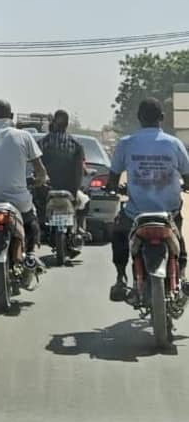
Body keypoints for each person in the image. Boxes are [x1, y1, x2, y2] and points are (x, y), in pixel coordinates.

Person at [107, 98, 189, 301]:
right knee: (179, 242)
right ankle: (183, 276)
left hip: (136, 214)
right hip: (169, 213)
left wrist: (113, 188)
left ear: (138, 119)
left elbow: (113, 178)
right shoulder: (174, 143)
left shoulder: (126, 143)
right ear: (161, 118)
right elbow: (187, 176)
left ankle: (120, 278)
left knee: (118, 234)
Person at [0, 99, 48, 282]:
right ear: (11, 117)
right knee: (31, 221)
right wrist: (39, 180)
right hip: (19, 201)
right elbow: (40, 169)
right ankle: (30, 254)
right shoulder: (24, 137)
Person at [37, 109, 88, 253]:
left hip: (46, 190)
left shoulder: (42, 143)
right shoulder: (76, 144)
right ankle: (80, 229)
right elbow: (80, 169)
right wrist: (76, 188)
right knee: (85, 202)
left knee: (35, 208)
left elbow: (35, 165)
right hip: (70, 190)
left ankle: (38, 230)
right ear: (67, 124)